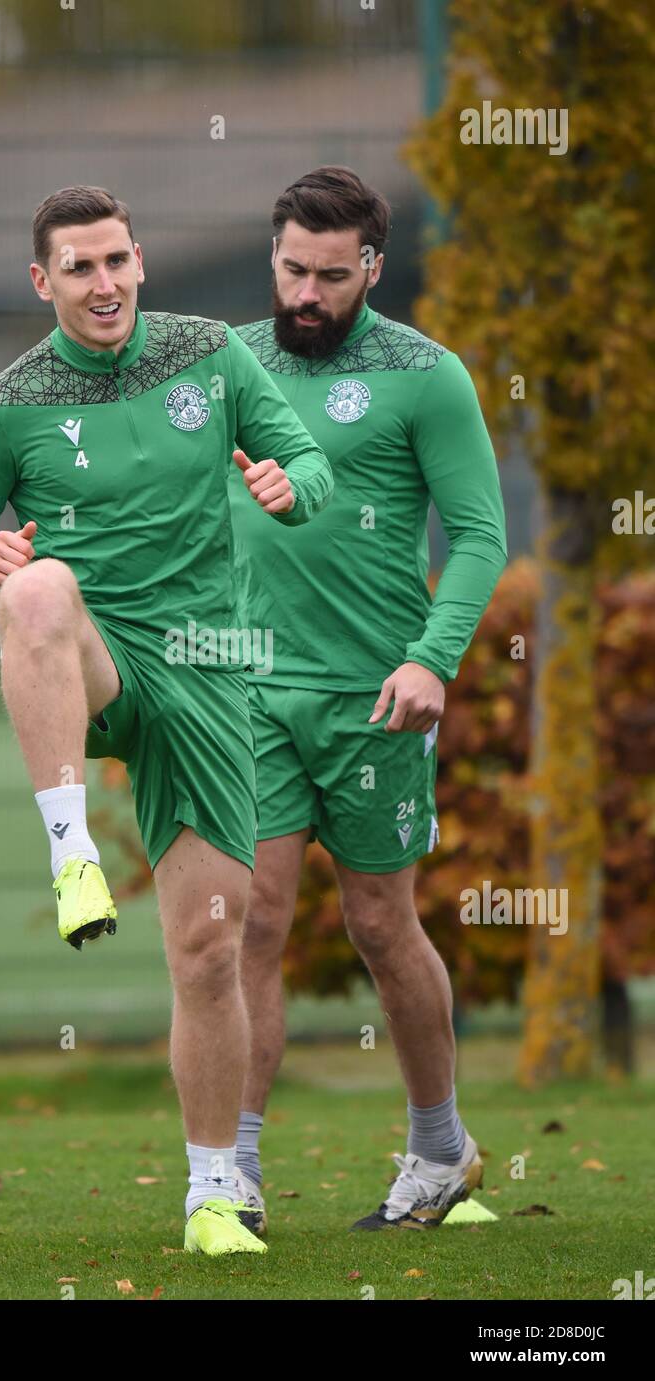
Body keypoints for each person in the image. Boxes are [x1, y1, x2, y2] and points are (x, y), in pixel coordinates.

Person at [0, 185, 333, 1256]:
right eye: (77, 267)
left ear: (140, 261)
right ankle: (70, 853)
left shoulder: (210, 353)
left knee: (210, 947)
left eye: (115, 261)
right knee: (35, 590)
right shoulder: (6, 402)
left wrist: (293, 482)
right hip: (97, 665)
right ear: (41, 280)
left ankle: (212, 1194)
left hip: (206, 667)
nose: (101, 284)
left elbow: (310, 455)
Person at [227, 166, 507, 1234]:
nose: (305, 293)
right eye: (291, 269)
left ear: (372, 270)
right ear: (273, 255)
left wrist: (431, 659)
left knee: (382, 925)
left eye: (330, 277)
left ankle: (437, 1149)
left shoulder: (426, 375)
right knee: (250, 921)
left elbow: (478, 535)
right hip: (246, 690)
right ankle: (234, 1177)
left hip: (374, 698)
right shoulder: (228, 364)